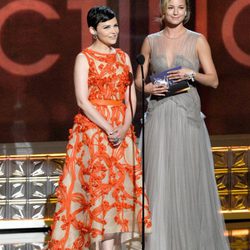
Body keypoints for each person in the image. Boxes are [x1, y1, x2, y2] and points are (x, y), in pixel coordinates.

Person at [48, 6, 151, 250]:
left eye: (115, 25)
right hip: (94, 131)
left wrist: (125, 126)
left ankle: (118, 244)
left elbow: (130, 97)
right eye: (107, 27)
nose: (114, 31)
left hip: (122, 131)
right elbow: (82, 100)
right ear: (93, 30)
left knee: (122, 189)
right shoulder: (84, 58)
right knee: (100, 189)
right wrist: (108, 128)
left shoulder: (123, 57)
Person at [135, 0, 230, 249]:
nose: (176, 12)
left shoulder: (197, 40)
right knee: (159, 180)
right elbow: (138, 81)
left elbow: (214, 80)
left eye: (180, 8)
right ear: (163, 11)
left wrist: (191, 73)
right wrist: (149, 87)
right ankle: (160, 242)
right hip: (159, 115)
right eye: (171, 7)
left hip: (186, 116)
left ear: (186, 12)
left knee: (187, 178)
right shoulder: (150, 40)